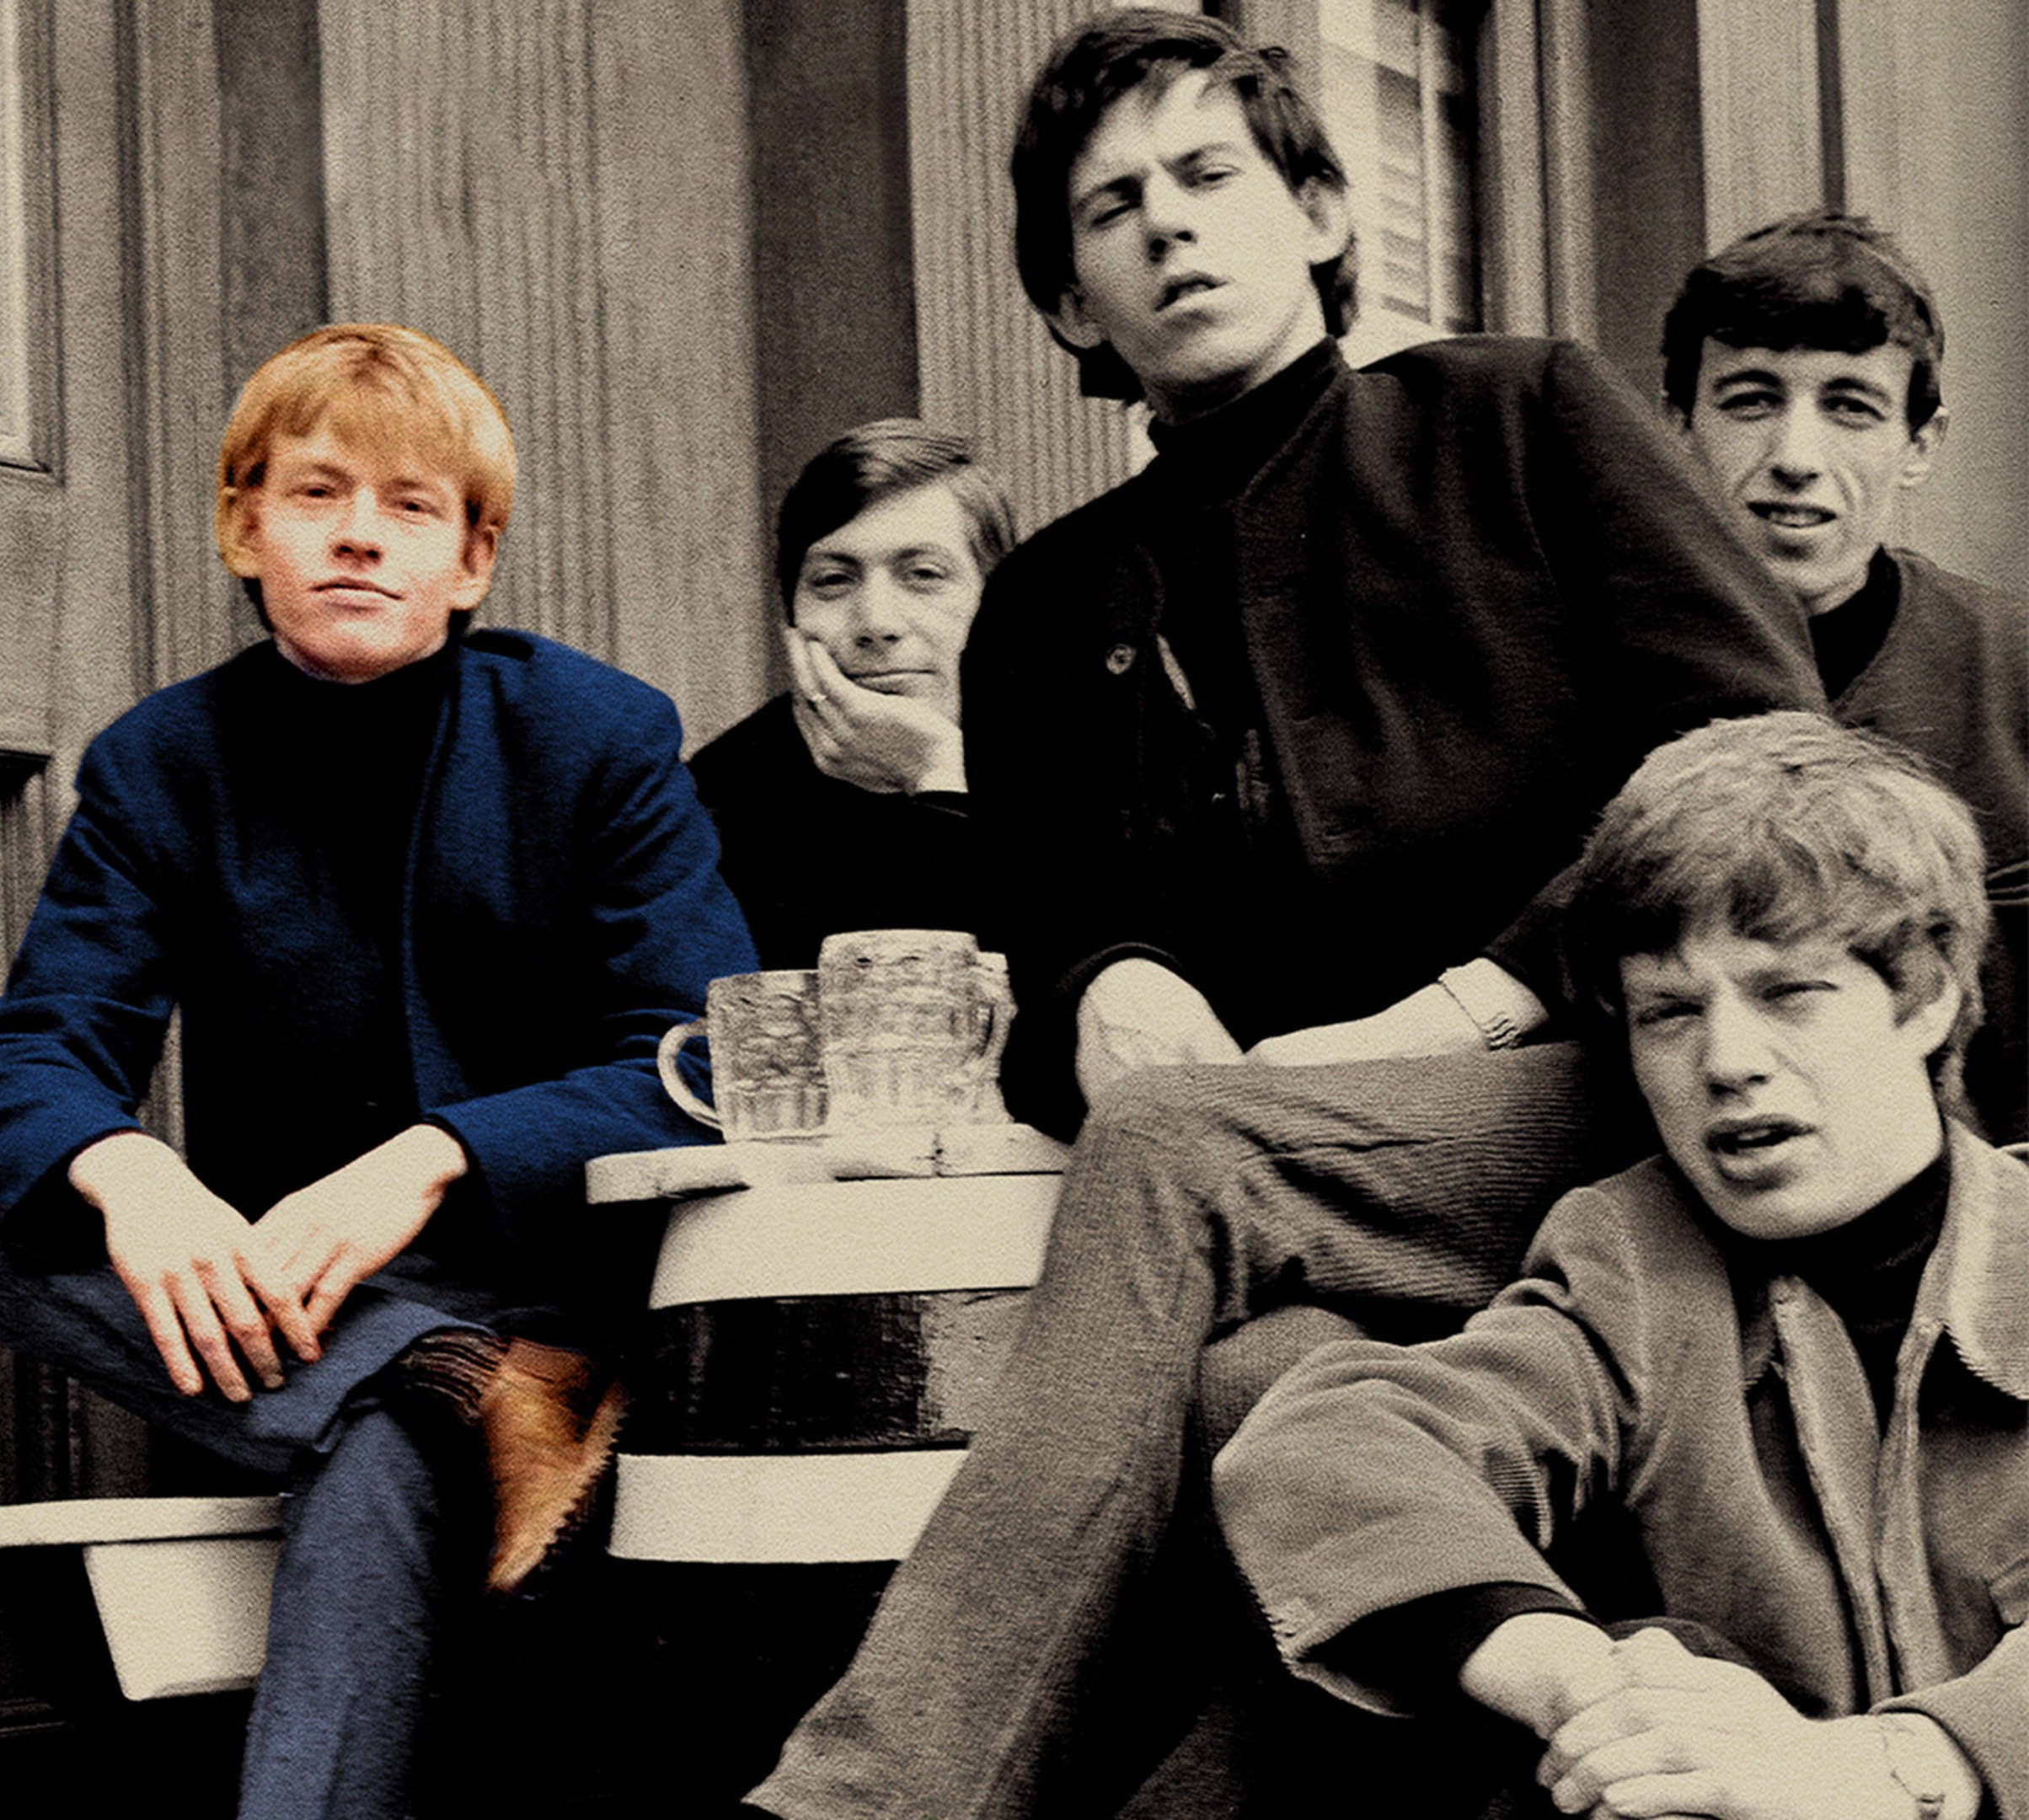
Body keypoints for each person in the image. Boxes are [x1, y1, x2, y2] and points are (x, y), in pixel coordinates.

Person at [742, 13, 1828, 1818]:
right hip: (1291, 1216)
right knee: (1261, 1396)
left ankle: (866, 1798)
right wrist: (1101, 982)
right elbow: (1043, 937)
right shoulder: (1048, 608)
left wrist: (1480, 998)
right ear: (1072, 301)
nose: (1168, 223)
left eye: (1209, 175)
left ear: (1321, 215)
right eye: (1113, 208)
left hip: (1595, 1097)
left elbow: (1755, 747)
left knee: (1175, 1148)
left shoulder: (1519, 418)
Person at [0, 323, 756, 1820]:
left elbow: (699, 1065)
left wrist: (441, 1155)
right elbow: (32, 1050)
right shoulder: (163, 762)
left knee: (380, 1450)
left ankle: (463, 1379)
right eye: (316, 493)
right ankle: (461, 1385)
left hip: (548, 1296)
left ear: (474, 558)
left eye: (410, 505)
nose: (360, 535)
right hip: (302, 1313)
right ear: (245, 528)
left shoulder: (596, 738)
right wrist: (129, 1171)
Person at [1216, 711, 2020, 1820]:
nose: (1727, 1062)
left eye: (1789, 993)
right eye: (1669, 1013)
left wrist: (1893, 1767)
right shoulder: (1637, 1257)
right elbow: (1329, 1444)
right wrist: (1596, 1694)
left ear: (1927, 1000)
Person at [1660, 208, 2029, 1143]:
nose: (1795, 458)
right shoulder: (1595, 672)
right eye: (1749, 401)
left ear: (1919, 444)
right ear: (1676, 428)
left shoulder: (2010, 666)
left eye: (1851, 407)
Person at [689, 420, 1021, 969]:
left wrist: (940, 775)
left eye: (923, 575)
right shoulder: (715, 802)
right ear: (791, 616)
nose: (876, 623)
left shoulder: (1087, 763)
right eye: (834, 581)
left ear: (1001, 600)